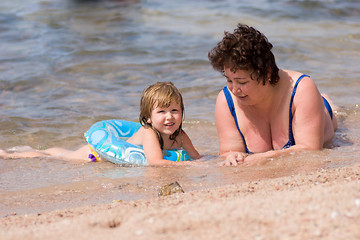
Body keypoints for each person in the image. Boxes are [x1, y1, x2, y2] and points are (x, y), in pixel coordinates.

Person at [208, 23, 337, 166]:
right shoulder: (226, 101)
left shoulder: (302, 89)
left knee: (330, 107)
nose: (234, 89)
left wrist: (263, 158)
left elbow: (310, 148)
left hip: (319, 110)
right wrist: (232, 157)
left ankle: (328, 101)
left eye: (242, 82)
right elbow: (227, 152)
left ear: (267, 73)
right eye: (229, 80)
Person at [0, 82, 201, 165]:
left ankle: (28, 150)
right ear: (148, 117)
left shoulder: (181, 136)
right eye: (162, 112)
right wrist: (190, 169)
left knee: (59, 153)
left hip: (111, 157)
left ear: (182, 113)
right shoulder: (149, 133)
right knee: (61, 156)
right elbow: (156, 163)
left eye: (175, 111)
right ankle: (11, 154)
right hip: (96, 155)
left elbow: (197, 158)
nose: (169, 117)